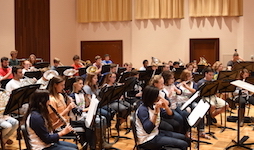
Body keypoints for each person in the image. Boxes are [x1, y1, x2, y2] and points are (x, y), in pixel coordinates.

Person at [136, 86, 189, 150]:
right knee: (183, 144)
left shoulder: (154, 105)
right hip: (147, 139)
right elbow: (148, 129)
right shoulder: (143, 110)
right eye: (157, 96)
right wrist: (155, 113)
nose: (159, 97)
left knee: (183, 137)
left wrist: (166, 107)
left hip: (156, 133)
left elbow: (170, 115)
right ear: (151, 97)